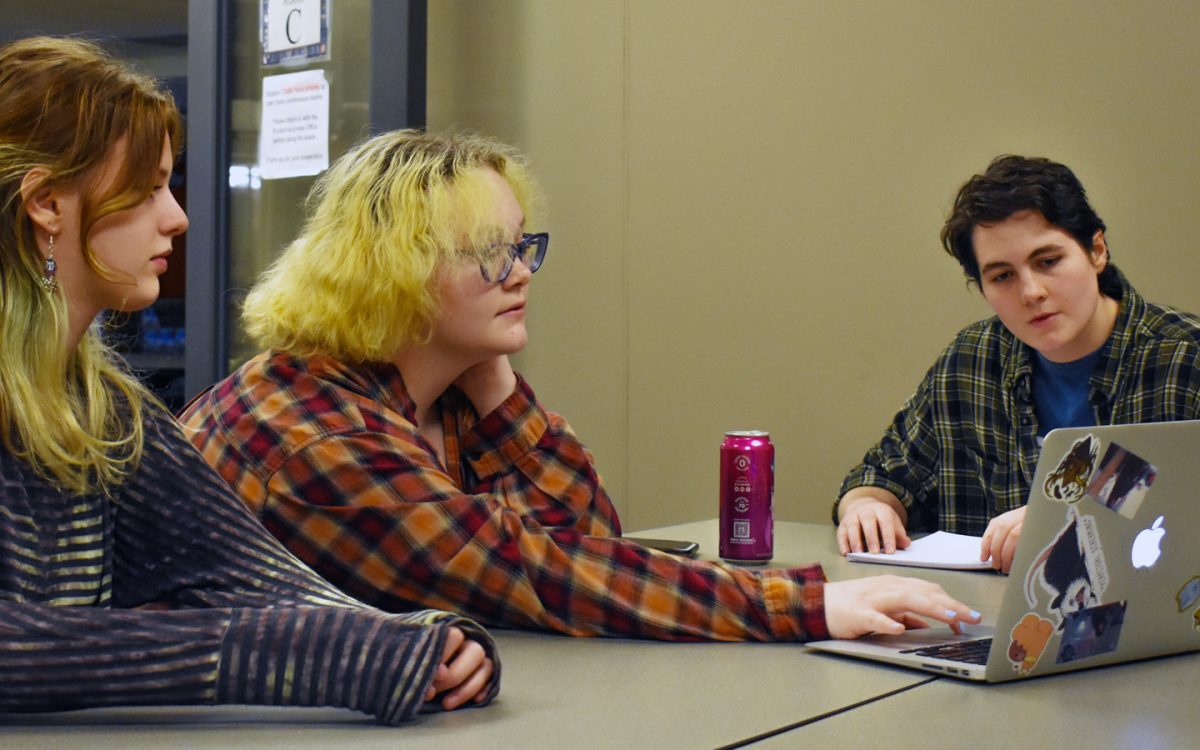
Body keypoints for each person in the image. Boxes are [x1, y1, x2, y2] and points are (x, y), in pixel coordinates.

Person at [180, 128, 981, 643]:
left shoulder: (440, 393)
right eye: (490, 252)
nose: (522, 271)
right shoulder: (312, 431)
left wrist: (496, 384)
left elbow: (592, 539)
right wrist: (806, 606)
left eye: (523, 245)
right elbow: (532, 571)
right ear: (394, 275)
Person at [0, 36, 496, 722]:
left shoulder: (103, 409)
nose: (177, 216)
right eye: (145, 191)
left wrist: (421, 643)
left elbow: (247, 574)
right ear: (47, 204)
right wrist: (316, 652)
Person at [835, 155, 1200, 573]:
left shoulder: (1185, 357)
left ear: (1097, 251)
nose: (1031, 291)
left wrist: (1070, 521)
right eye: (1002, 276)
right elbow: (884, 474)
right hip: (980, 626)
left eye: (1048, 261)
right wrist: (866, 505)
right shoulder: (970, 362)